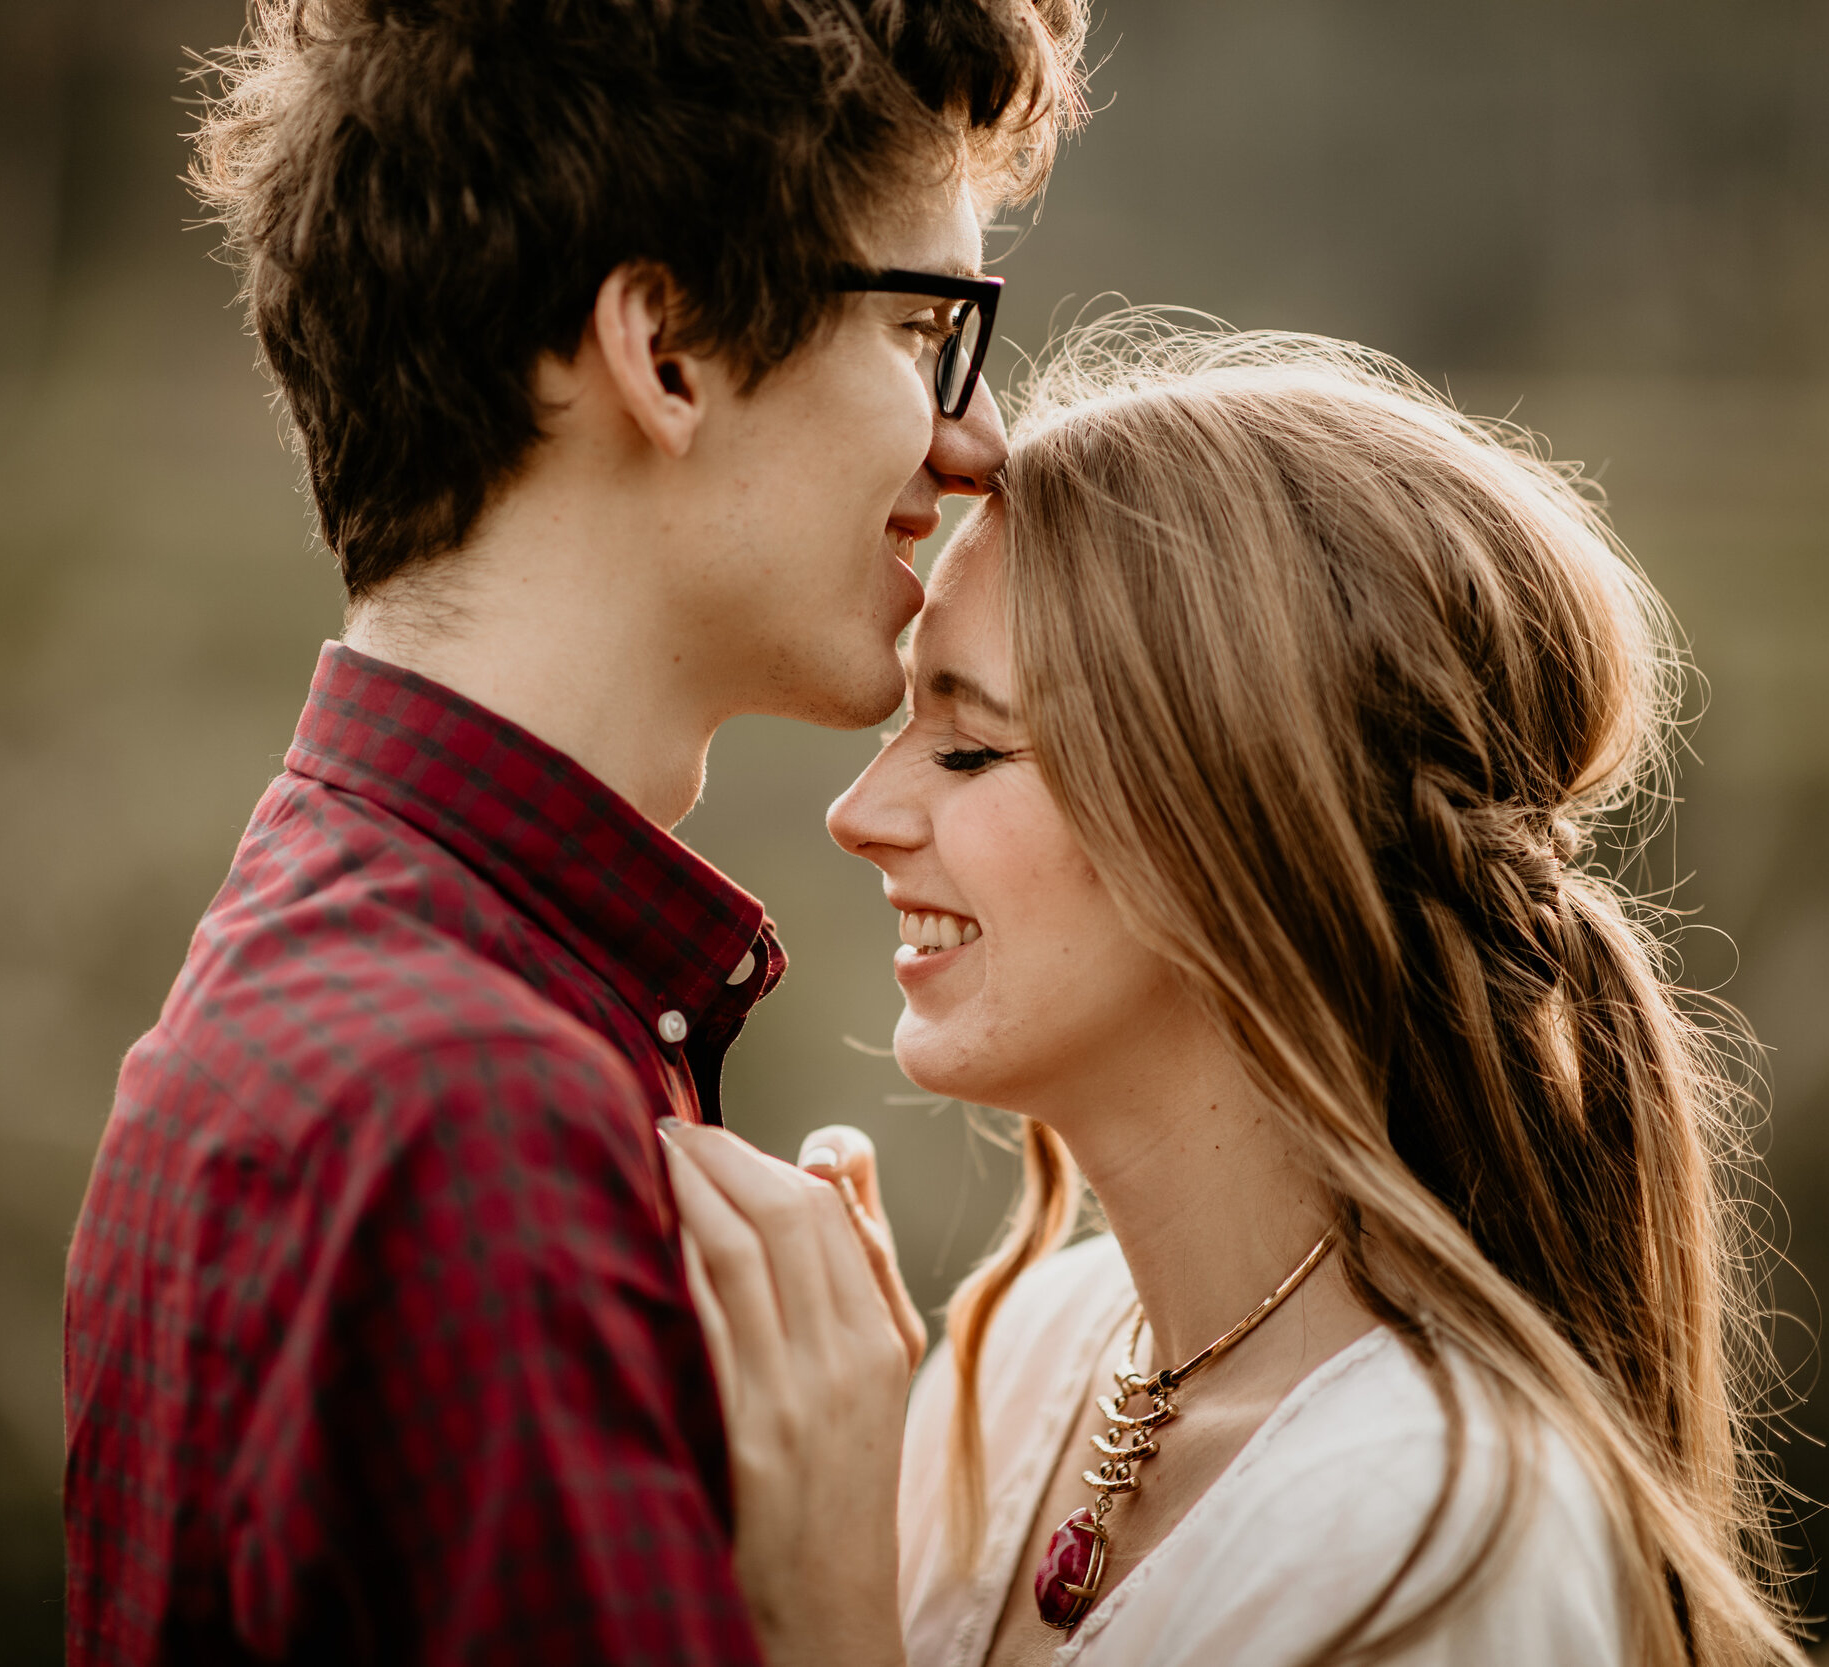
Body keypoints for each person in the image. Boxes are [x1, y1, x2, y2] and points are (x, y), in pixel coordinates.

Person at [56, 0, 1086, 1661]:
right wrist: (833, 1613)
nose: (974, 443)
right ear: (663, 351)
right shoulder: (475, 1116)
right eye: (918, 330)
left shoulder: (348, 976)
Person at [664, 325, 1812, 1666]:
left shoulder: (1435, 1533)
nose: (859, 813)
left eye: (969, 749)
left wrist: (817, 1603)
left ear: (1240, 829)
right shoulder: (1029, 1349)